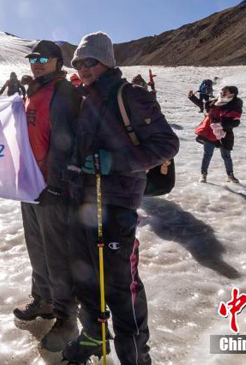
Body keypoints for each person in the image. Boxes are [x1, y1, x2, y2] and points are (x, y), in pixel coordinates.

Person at [65, 32, 179, 365]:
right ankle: (94, 339)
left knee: (121, 289)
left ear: (107, 62)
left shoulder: (129, 95)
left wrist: (116, 163)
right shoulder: (86, 98)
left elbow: (167, 144)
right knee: (86, 281)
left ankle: (137, 356)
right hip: (86, 204)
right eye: (79, 63)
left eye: (90, 62)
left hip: (117, 207)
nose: (83, 69)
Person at [13, 40, 82, 352]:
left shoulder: (62, 92)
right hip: (30, 184)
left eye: (43, 58)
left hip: (51, 187)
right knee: (36, 247)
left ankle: (67, 318)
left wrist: (56, 182)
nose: (36, 63)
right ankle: (42, 300)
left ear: (57, 61)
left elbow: (66, 140)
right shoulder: (34, 90)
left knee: (56, 254)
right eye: (33, 58)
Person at [189, 86, 243, 183]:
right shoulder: (214, 102)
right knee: (207, 155)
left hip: (225, 134)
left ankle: (230, 175)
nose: (222, 93)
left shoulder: (234, 106)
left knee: (226, 156)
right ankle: (203, 174)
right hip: (210, 133)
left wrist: (221, 125)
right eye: (222, 91)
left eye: (225, 92)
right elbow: (203, 106)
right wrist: (193, 98)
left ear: (232, 94)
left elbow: (236, 122)